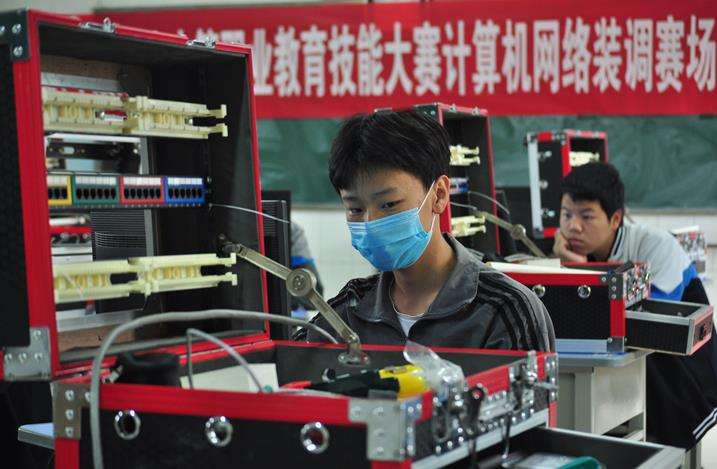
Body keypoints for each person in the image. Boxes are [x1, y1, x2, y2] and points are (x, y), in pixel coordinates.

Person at [301, 110, 554, 352]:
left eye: (389, 204)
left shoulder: (504, 311)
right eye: (355, 209)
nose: (371, 223)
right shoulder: (348, 311)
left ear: (439, 195)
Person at [553, 161, 717, 449]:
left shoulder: (655, 245)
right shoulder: (567, 250)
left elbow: (651, 322)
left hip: (683, 363)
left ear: (615, 219)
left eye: (587, 216)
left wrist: (582, 272)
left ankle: (661, 452)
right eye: (566, 214)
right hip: (628, 353)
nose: (573, 226)